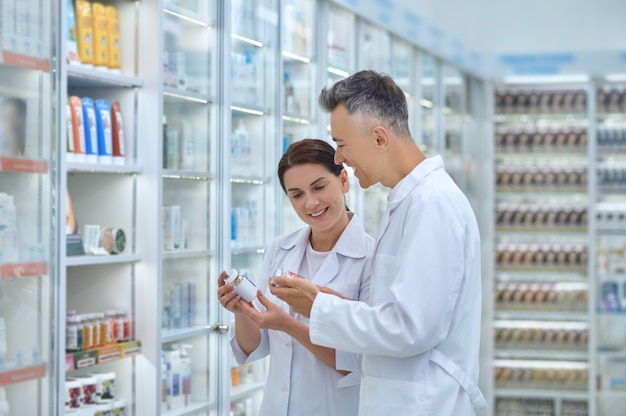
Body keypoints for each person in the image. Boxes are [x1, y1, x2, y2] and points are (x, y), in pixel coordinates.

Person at [269, 70, 487, 416]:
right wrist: (325, 299)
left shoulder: (431, 205)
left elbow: (411, 328)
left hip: (424, 403)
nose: (339, 158)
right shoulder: (408, 201)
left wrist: (320, 308)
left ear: (380, 138)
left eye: (341, 144)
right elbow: (396, 311)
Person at [218, 139, 373, 416]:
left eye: (319, 187)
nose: (310, 203)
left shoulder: (371, 257)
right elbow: (257, 346)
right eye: (297, 194)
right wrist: (240, 312)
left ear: (343, 180)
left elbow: (359, 361)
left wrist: (290, 325)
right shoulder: (281, 248)